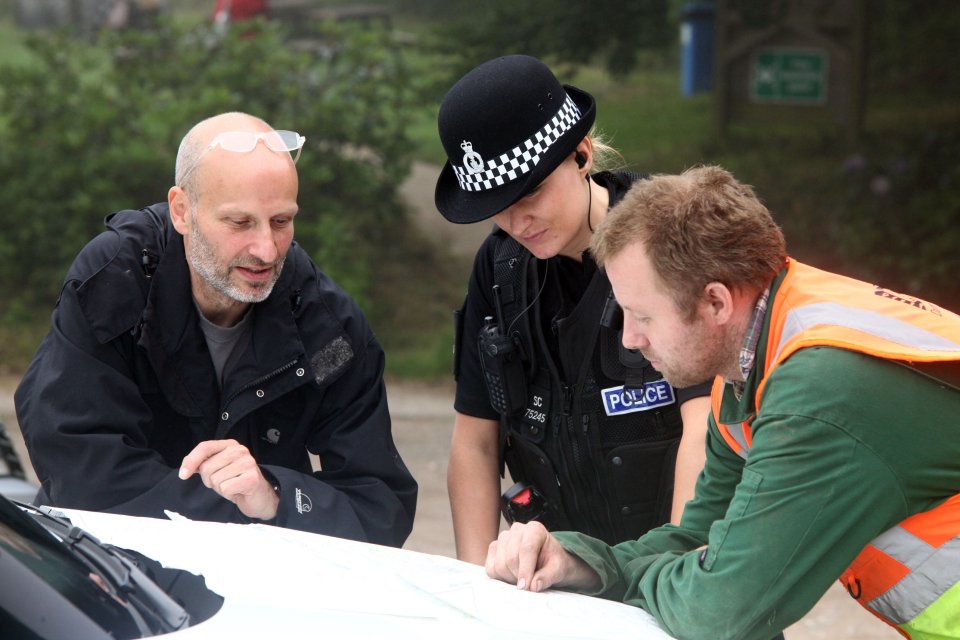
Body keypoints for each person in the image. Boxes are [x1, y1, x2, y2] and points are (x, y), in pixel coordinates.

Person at [484, 165, 960, 639]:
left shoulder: (819, 395)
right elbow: (697, 541)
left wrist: (656, 578)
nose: (629, 339)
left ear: (715, 303)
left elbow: (720, 613)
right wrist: (580, 561)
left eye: (641, 315)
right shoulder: (756, 360)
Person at [15, 112, 417, 547]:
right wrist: (235, 513)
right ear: (182, 211)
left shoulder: (328, 325)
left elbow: (382, 509)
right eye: (240, 223)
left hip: (261, 576)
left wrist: (274, 496)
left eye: (281, 221)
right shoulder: (116, 279)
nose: (266, 250)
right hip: (111, 563)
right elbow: (80, 471)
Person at [434, 54, 712, 565]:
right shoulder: (497, 269)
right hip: (561, 581)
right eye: (497, 203)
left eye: (531, 191)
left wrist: (677, 584)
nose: (517, 220)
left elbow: (707, 427)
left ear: (581, 155)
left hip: (684, 572)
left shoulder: (671, 239)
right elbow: (474, 444)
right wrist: (473, 596)